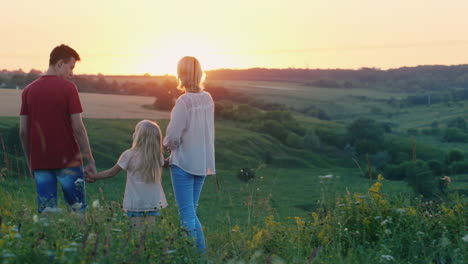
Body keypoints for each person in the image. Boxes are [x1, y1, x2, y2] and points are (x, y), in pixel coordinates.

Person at [19, 44, 96, 214]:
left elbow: (23, 131)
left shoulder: (28, 91)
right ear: (60, 63)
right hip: (69, 161)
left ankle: (47, 241)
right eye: (71, 67)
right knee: (78, 211)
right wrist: (90, 160)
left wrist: (30, 161)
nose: (72, 73)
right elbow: (78, 127)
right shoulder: (69, 89)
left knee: (47, 212)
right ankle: (82, 240)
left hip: (40, 161)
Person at [164, 56, 216, 253]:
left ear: (181, 75)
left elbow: (173, 135)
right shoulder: (208, 98)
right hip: (202, 163)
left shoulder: (184, 101)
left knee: (186, 214)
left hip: (184, 163)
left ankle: (192, 256)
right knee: (191, 213)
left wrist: (167, 145)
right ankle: (200, 255)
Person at [88, 120, 167, 230]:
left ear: (138, 136)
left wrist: (94, 176)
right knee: (150, 234)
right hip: (152, 203)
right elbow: (166, 163)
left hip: (135, 203)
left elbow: (111, 172)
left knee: (136, 234)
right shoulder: (157, 156)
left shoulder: (129, 155)